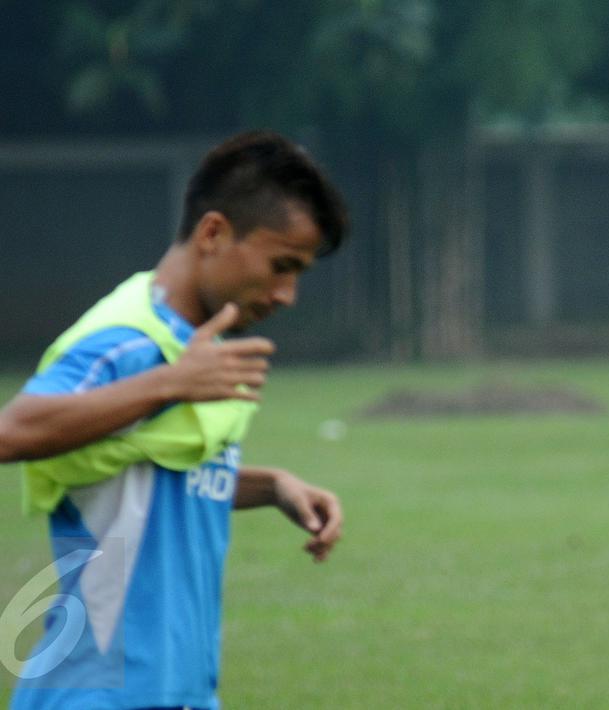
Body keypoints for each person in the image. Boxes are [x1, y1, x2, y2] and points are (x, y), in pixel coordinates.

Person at [0, 131, 349, 709]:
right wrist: (169, 382)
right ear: (213, 233)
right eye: (281, 265)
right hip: (100, 692)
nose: (288, 294)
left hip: (174, 691)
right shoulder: (125, 343)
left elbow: (143, 476)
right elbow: (11, 432)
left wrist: (271, 487)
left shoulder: (189, 348)